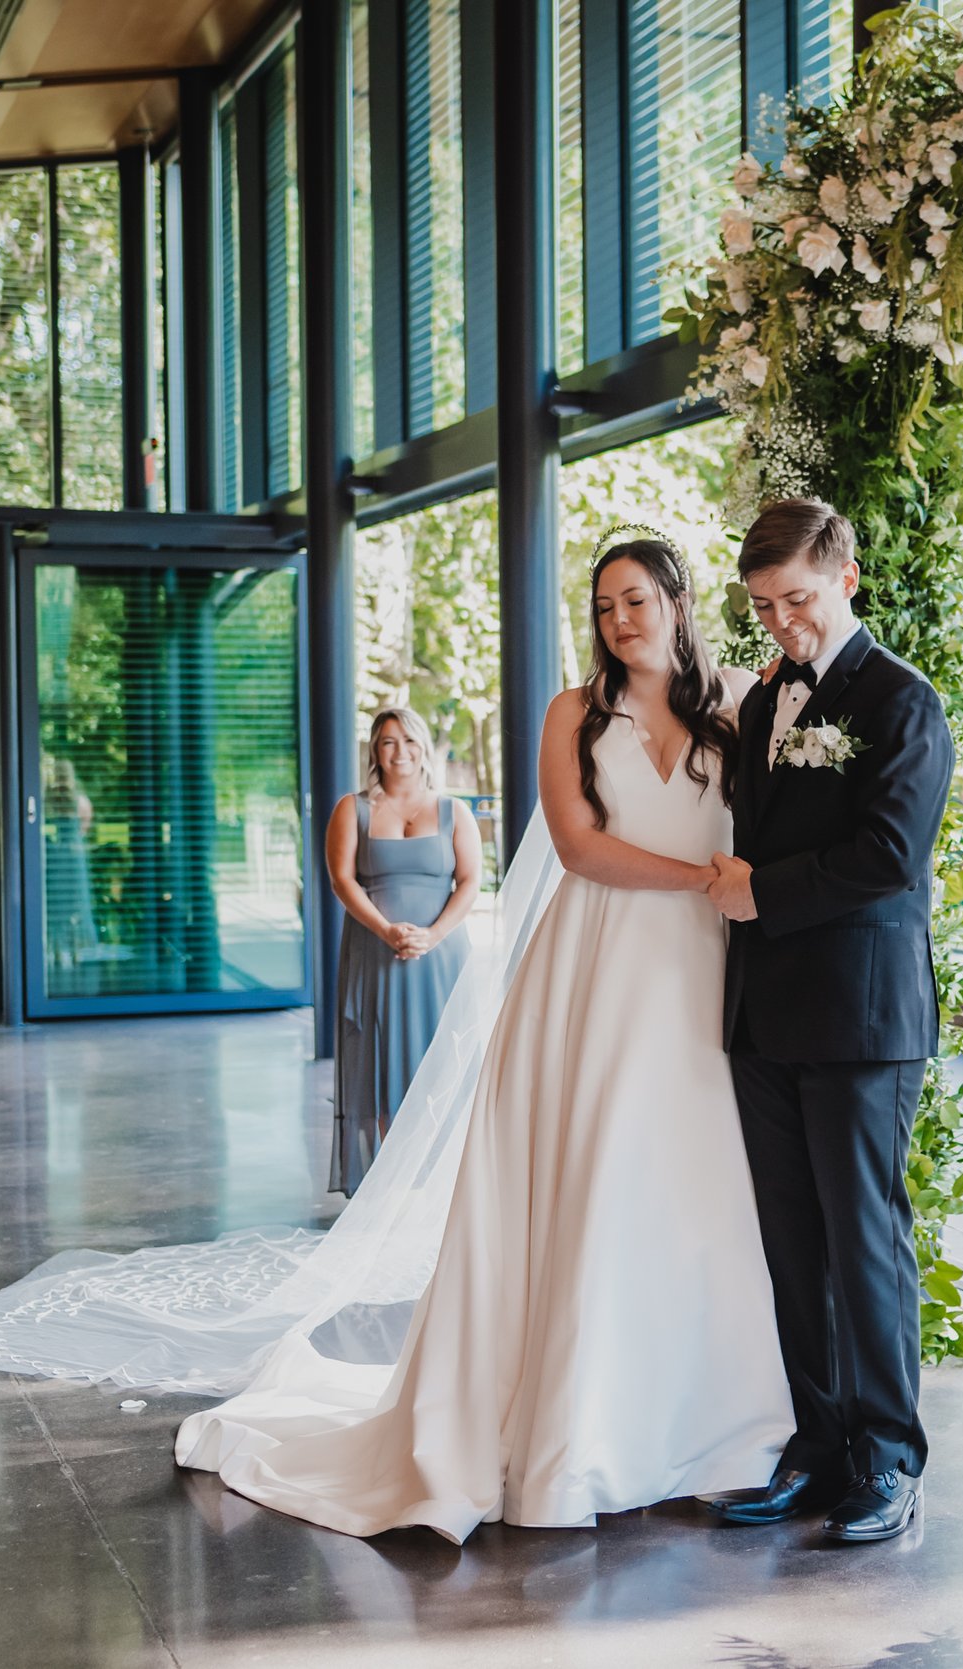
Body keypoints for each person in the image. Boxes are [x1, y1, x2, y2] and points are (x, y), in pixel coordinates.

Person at [168, 532, 793, 1541]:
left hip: (703, 974)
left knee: (695, 1183)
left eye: (636, 599)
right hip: (594, 971)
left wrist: (740, 892)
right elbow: (581, 848)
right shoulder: (571, 715)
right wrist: (710, 884)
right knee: (591, 1175)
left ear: (677, 601)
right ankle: (573, 1431)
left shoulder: (735, 708)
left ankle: (703, 1425)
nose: (621, 620)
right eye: (604, 608)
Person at [699, 498, 954, 1546]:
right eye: (762, 607)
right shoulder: (761, 705)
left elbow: (890, 855)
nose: (780, 624)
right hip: (764, 1016)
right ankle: (817, 1446)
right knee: (793, 1245)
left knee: (865, 1244)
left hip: (859, 1018)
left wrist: (761, 891)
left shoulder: (902, 701)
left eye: (796, 600)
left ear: (844, 578)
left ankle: (889, 1458)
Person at [325, 707, 482, 1192]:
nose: (400, 752)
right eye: (389, 742)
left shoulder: (454, 811)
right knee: (381, 1065)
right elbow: (341, 880)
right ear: (375, 749)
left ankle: (441, 1186)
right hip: (377, 956)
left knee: (441, 1067)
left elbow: (471, 881)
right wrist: (385, 929)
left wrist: (432, 935)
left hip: (441, 960)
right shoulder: (352, 809)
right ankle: (392, 1186)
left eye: (409, 741)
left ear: (423, 748)